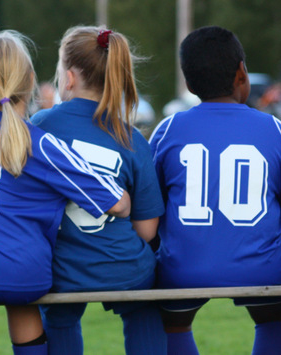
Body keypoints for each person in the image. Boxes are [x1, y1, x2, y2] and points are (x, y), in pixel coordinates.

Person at [0, 30, 131, 355]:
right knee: (22, 299)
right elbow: (115, 202)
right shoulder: (39, 142)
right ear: (30, 79)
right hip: (25, 272)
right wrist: (127, 201)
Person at [149, 26, 281, 355]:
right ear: (241, 73)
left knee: (173, 323)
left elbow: (151, 207)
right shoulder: (274, 128)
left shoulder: (167, 129)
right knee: (274, 318)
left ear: (188, 84)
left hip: (184, 266)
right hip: (262, 266)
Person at [31, 26, 166, 355]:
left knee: (58, 315)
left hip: (59, 267)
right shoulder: (131, 138)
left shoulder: (39, 125)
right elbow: (148, 230)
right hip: (123, 265)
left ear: (70, 77)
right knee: (143, 307)